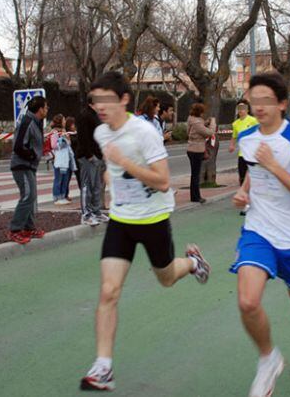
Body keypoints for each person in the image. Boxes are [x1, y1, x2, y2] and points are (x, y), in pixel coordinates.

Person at [79, 71, 210, 391]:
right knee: (109, 291)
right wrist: (112, 177)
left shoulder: (144, 133)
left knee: (166, 278)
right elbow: (112, 170)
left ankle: (193, 263)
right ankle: (103, 366)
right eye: (95, 100)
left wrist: (123, 163)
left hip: (153, 219)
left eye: (106, 100)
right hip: (122, 221)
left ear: (124, 100)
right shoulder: (100, 133)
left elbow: (163, 180)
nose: (99, 106)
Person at [230, 71, 290, 397]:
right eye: (253, 101)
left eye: (266, 101)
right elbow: (253, 174)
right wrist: (244, 192)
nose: (259, 107)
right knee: (247, 300)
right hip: (259, 230)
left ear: (282, 104)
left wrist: (275, 167)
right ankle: (268, 358)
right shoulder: (248, 139)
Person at [9, 96, 48, 244]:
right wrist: (32, 155)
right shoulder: (27, 122)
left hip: (29, 165)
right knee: (27, 196)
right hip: (22, 165)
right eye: (46, 107)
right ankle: (15, 229)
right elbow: (18, 145)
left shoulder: (36, 123)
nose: (47, 110)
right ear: (40, 109)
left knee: (31, 196)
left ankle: (29, 227)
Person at [77, 96, 108, 226]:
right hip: (87, 156)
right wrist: (89, 155)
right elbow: (83, 137)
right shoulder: (84, 115)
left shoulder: (96, 116)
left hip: (97, 156)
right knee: (87, 185)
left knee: (96, 186)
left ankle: (96, 211)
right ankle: (86, 214)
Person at [186, 103, 216, 203]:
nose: (204, 114)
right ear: (200, 112)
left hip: (191, 148)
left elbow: (198, 128)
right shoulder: (197, 123)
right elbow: (209, 132)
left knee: (194, 174)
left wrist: (205, 123)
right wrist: (213, 123)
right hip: (196, 150)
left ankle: (194, 195)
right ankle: (196, 197)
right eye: (203, 112)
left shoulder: (191, 120)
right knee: (196, 174)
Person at [230, 100, 259, 185]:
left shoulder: (253, 121)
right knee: (242, 176)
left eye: (243, 108)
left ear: (247, 110)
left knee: (254, 177)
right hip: (242, 154)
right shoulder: (235, 124)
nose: (240, 110)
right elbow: (234, 136)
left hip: (253, 154)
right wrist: (232, 145)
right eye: (239, 108)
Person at [50, 114, 75, 205]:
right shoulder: (55, 132)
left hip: (66, 158)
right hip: (59, 159)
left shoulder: (64, 131)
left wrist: (67, 141)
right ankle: (57, 197)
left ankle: (63, 196)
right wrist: (62, 143)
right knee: (59, 178)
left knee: (65, 178)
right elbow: (53, 145)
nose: (65, 122)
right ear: (59, 121)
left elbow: (69, 142)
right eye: (64, 120)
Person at [66, 116, 81, 201]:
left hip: (76, 158)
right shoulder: (68, 134)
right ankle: (65, 194)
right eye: (72, 124)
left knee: (80, 176)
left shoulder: (76, 133)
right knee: (66, 178)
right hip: (70, 158)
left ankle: (82, 190)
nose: (74, 125)